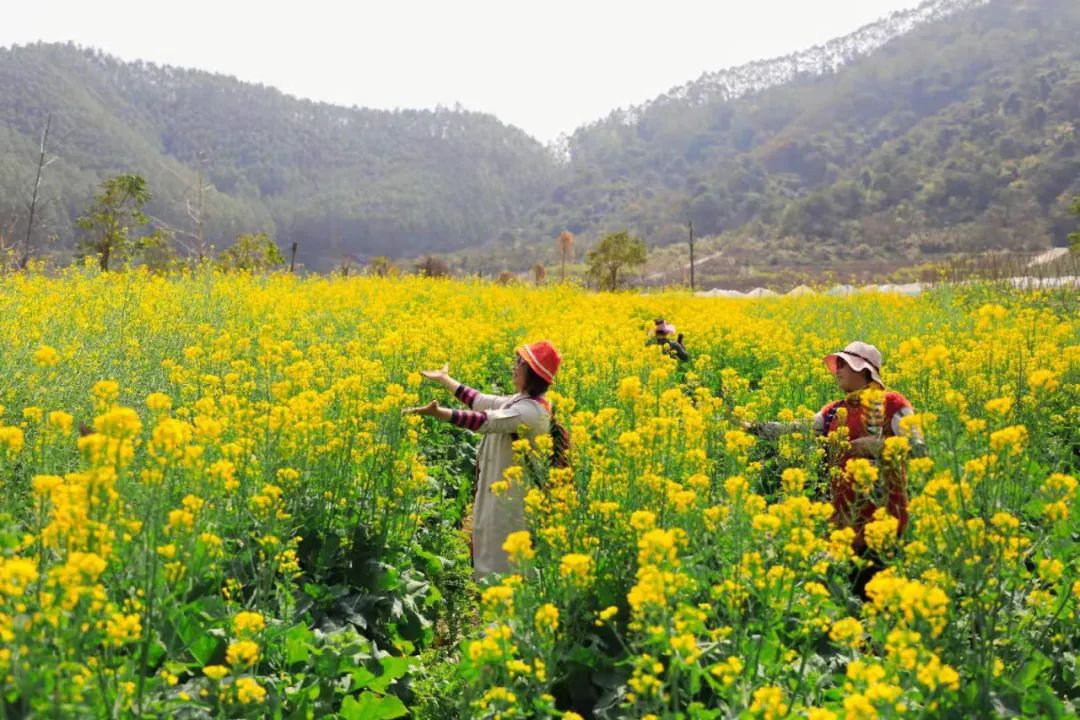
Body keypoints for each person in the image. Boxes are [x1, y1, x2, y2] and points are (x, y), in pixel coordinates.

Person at [747, 341, 924, 596]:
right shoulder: (834, 412)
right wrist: (755, 427)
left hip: (883, 520)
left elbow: (918, 447)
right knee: (844, 595)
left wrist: (876, 445)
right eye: (837, 363)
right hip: (843, 521)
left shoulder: (892, 404)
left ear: (864, 371)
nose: (837, 369)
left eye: (844, 364)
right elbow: (798, 427)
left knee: (876, 595)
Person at [404, 340, 561, 579]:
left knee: (505, 565)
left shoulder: (531, 412)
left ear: (533, 372)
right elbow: (479, 400)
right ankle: (495, 609)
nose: (514, 367)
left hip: (511, 501)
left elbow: (484, 421)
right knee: (492, 555)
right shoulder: (521, 401)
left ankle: (504, 612)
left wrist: (439, 414)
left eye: (519, 363)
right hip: (499, 492)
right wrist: (445, 379)